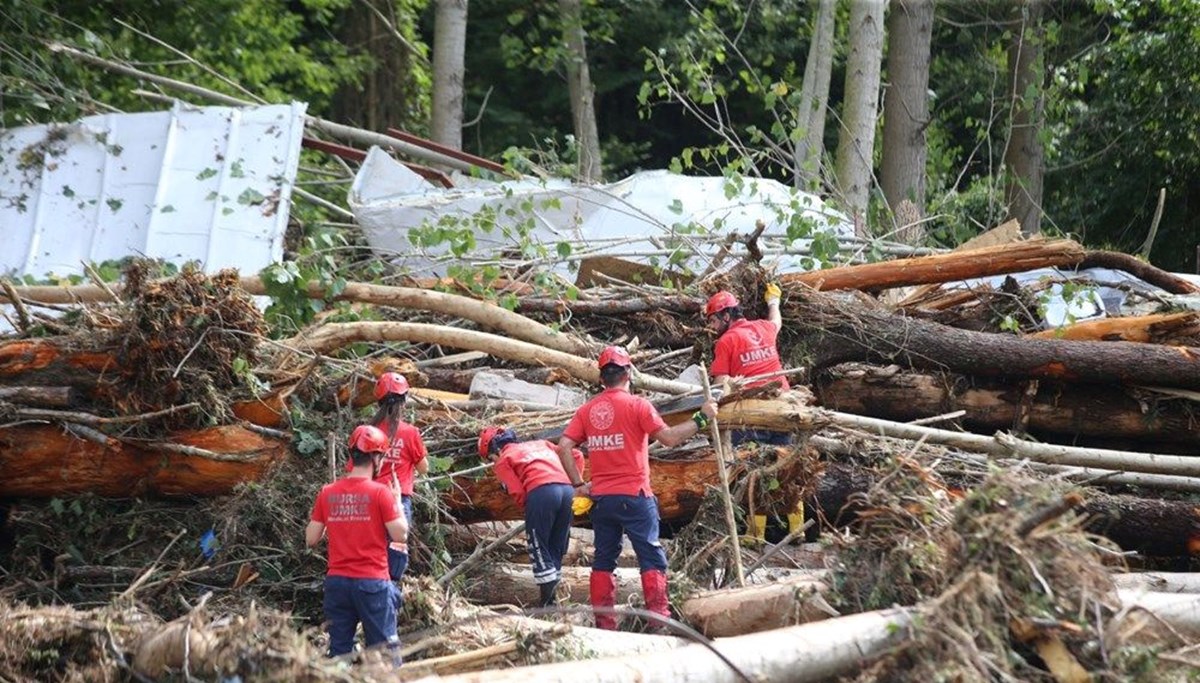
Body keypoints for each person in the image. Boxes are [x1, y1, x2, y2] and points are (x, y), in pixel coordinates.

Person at [556, 346, 717, 631]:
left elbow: (565, 445)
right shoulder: (638, 405)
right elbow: (668, 438)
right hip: (635, 496)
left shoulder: (588, 410)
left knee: (604, 559)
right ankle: (659, 621)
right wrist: (702, 419)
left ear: (601, 378)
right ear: (628, 373)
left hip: (602, 500)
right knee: (650, 556)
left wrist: (579, 484)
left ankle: (605, 626)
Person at [306, 425, 408, 660]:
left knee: (339, 653)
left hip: (337, 584)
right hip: (372, 583)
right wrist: (397, 502)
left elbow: (311, 539)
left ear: (352, 455)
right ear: (376, 457)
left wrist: (336, 517)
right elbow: (400, 534)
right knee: (384, 653)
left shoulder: (327, 492)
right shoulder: (381, 493)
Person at [478, 426, 584, 607]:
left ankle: (547, 604)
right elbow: (576, 456)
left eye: (490, 458)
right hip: (567, 491)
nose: (493, 461)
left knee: (539, 546)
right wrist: (575, 483)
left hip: (541, 492)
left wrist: (531, 507)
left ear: (495, 450)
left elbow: (518, 491)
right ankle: (557, 599)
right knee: (556, 547)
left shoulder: (504, 460)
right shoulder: (542, 444)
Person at [706, 285, 791, 447]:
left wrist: (706, 412)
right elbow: (776, 321)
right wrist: (773, 301)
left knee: (746, 464)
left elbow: (721, 384)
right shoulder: (763, 327)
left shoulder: (725, 341)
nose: (712, 327)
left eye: (713, 321)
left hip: (751, 414)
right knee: (782, 462)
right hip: (783, 407)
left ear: (726, 316)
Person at [369, 372, 428, 598]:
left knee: (372, 554)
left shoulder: (368, 431)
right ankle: (388, 602)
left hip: (370, 499)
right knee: (394, 558)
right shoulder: (410, 432)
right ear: (404, 401)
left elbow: (354, 468)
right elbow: (424, 467)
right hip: (397, 502)